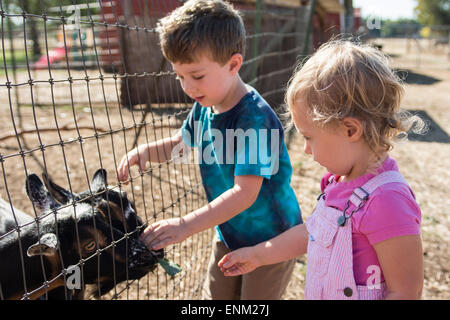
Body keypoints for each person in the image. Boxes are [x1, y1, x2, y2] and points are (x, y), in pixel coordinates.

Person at [116, 0, 302, 300]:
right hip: (228, 232)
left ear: (233, 64)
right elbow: (182, 144)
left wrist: (185, 225)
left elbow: (245, 193)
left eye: (197, 76)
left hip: (271, 242)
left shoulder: (255, 119)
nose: (187, 87)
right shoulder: (205, 105)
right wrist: (146, 151)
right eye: (180, 76)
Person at [218, 40, 425, 300]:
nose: (306, 149)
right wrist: (258, 255)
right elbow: (312, 234)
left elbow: (406, 291)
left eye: (310, 137)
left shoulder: (388, 201)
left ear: (350, 130)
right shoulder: (337, 182)